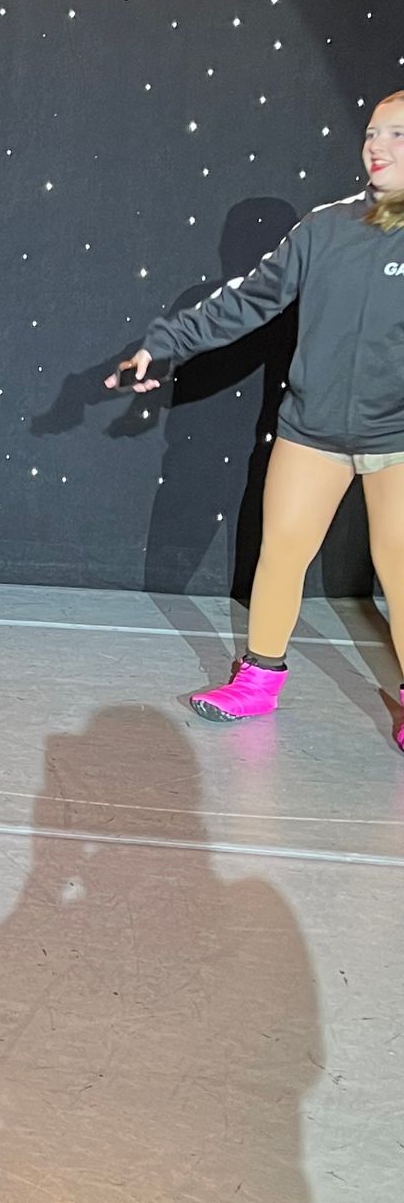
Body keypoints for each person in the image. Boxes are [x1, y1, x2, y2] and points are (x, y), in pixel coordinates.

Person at [110, 88, 404, 738]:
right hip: (313, 430)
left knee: (401, 566)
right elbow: (243, 301)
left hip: (398, 437)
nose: (377, 146)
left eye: (397, 135)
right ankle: (258, 681)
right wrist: (162, 343)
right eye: (373, 133)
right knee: (282, 552)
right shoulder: (324, 229)